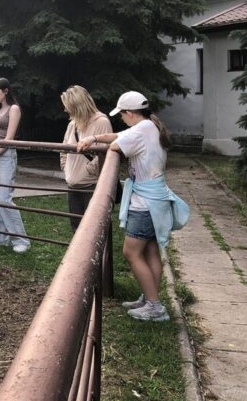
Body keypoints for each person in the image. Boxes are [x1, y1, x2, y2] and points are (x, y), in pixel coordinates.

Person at [77, 91, 189, 322]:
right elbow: (118, 135)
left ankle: (155, 307)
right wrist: (94, 139)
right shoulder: (148, 126)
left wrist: (95, 141)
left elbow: (117, 146)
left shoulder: (141, 130)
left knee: (131, 252)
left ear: (129, 113)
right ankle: (150, 298)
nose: (122, 119)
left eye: (122, 115)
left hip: (145, 202)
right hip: (154, 199)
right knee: (149, 251)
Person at [0, 78, 30, 252]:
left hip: (5, 154)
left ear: (6, 91)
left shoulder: (14, 109)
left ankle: (21, 240)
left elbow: (9, 138)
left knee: (4, 198)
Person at [60, 85, 113, 231]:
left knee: (93, 228)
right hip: (72, 185)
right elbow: (64, 147)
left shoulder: (101, 122)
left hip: (91, 186)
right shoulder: (72, 124)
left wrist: (88, 171)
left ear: (78, 105)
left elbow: (107, 151)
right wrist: (66, 168)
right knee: (76, 227)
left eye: (68, 106)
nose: (65, 110)